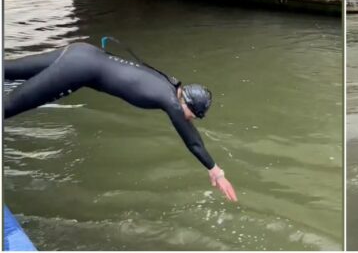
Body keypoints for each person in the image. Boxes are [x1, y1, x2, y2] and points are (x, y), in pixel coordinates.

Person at [3, 41, 237, 202]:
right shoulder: (172, 102)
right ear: (187, 105)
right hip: (79, 69)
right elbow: (193, 142)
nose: (189, 120)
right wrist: (216, 171)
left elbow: (189, 128)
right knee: (8, 107)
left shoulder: (170, 85)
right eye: (192, 116)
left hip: (83, 52)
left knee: (8, 70)